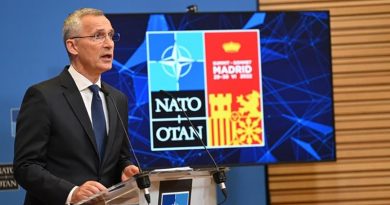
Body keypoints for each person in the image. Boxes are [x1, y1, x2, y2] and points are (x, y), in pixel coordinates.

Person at [13, 8, 140, 205]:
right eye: (98, 36)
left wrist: (125, 168)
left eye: (111, 35)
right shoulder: (43, 96)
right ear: (73, 46)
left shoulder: (118, 98)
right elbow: (26, 167)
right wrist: (72, 193)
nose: (109, 44)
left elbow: (119, 157)